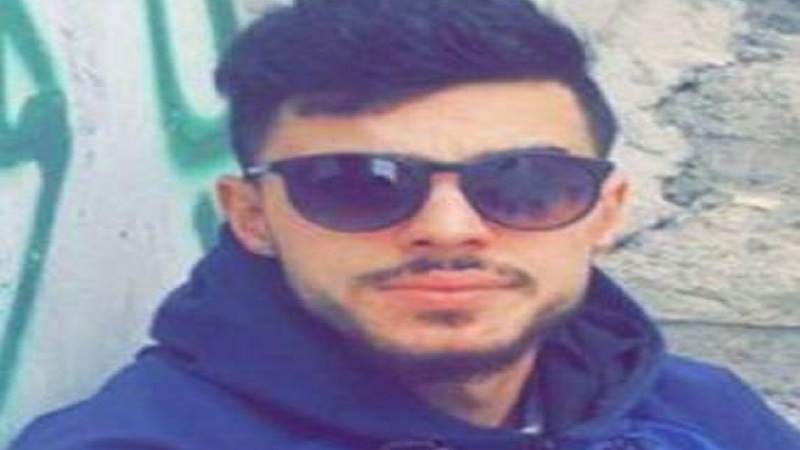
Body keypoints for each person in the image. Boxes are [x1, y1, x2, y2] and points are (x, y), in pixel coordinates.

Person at [9, 0, 800, 449]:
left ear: (605, 210)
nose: (449, 229)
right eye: (355, 185)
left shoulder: (703, 415)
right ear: (252, 217)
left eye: (526, 184)